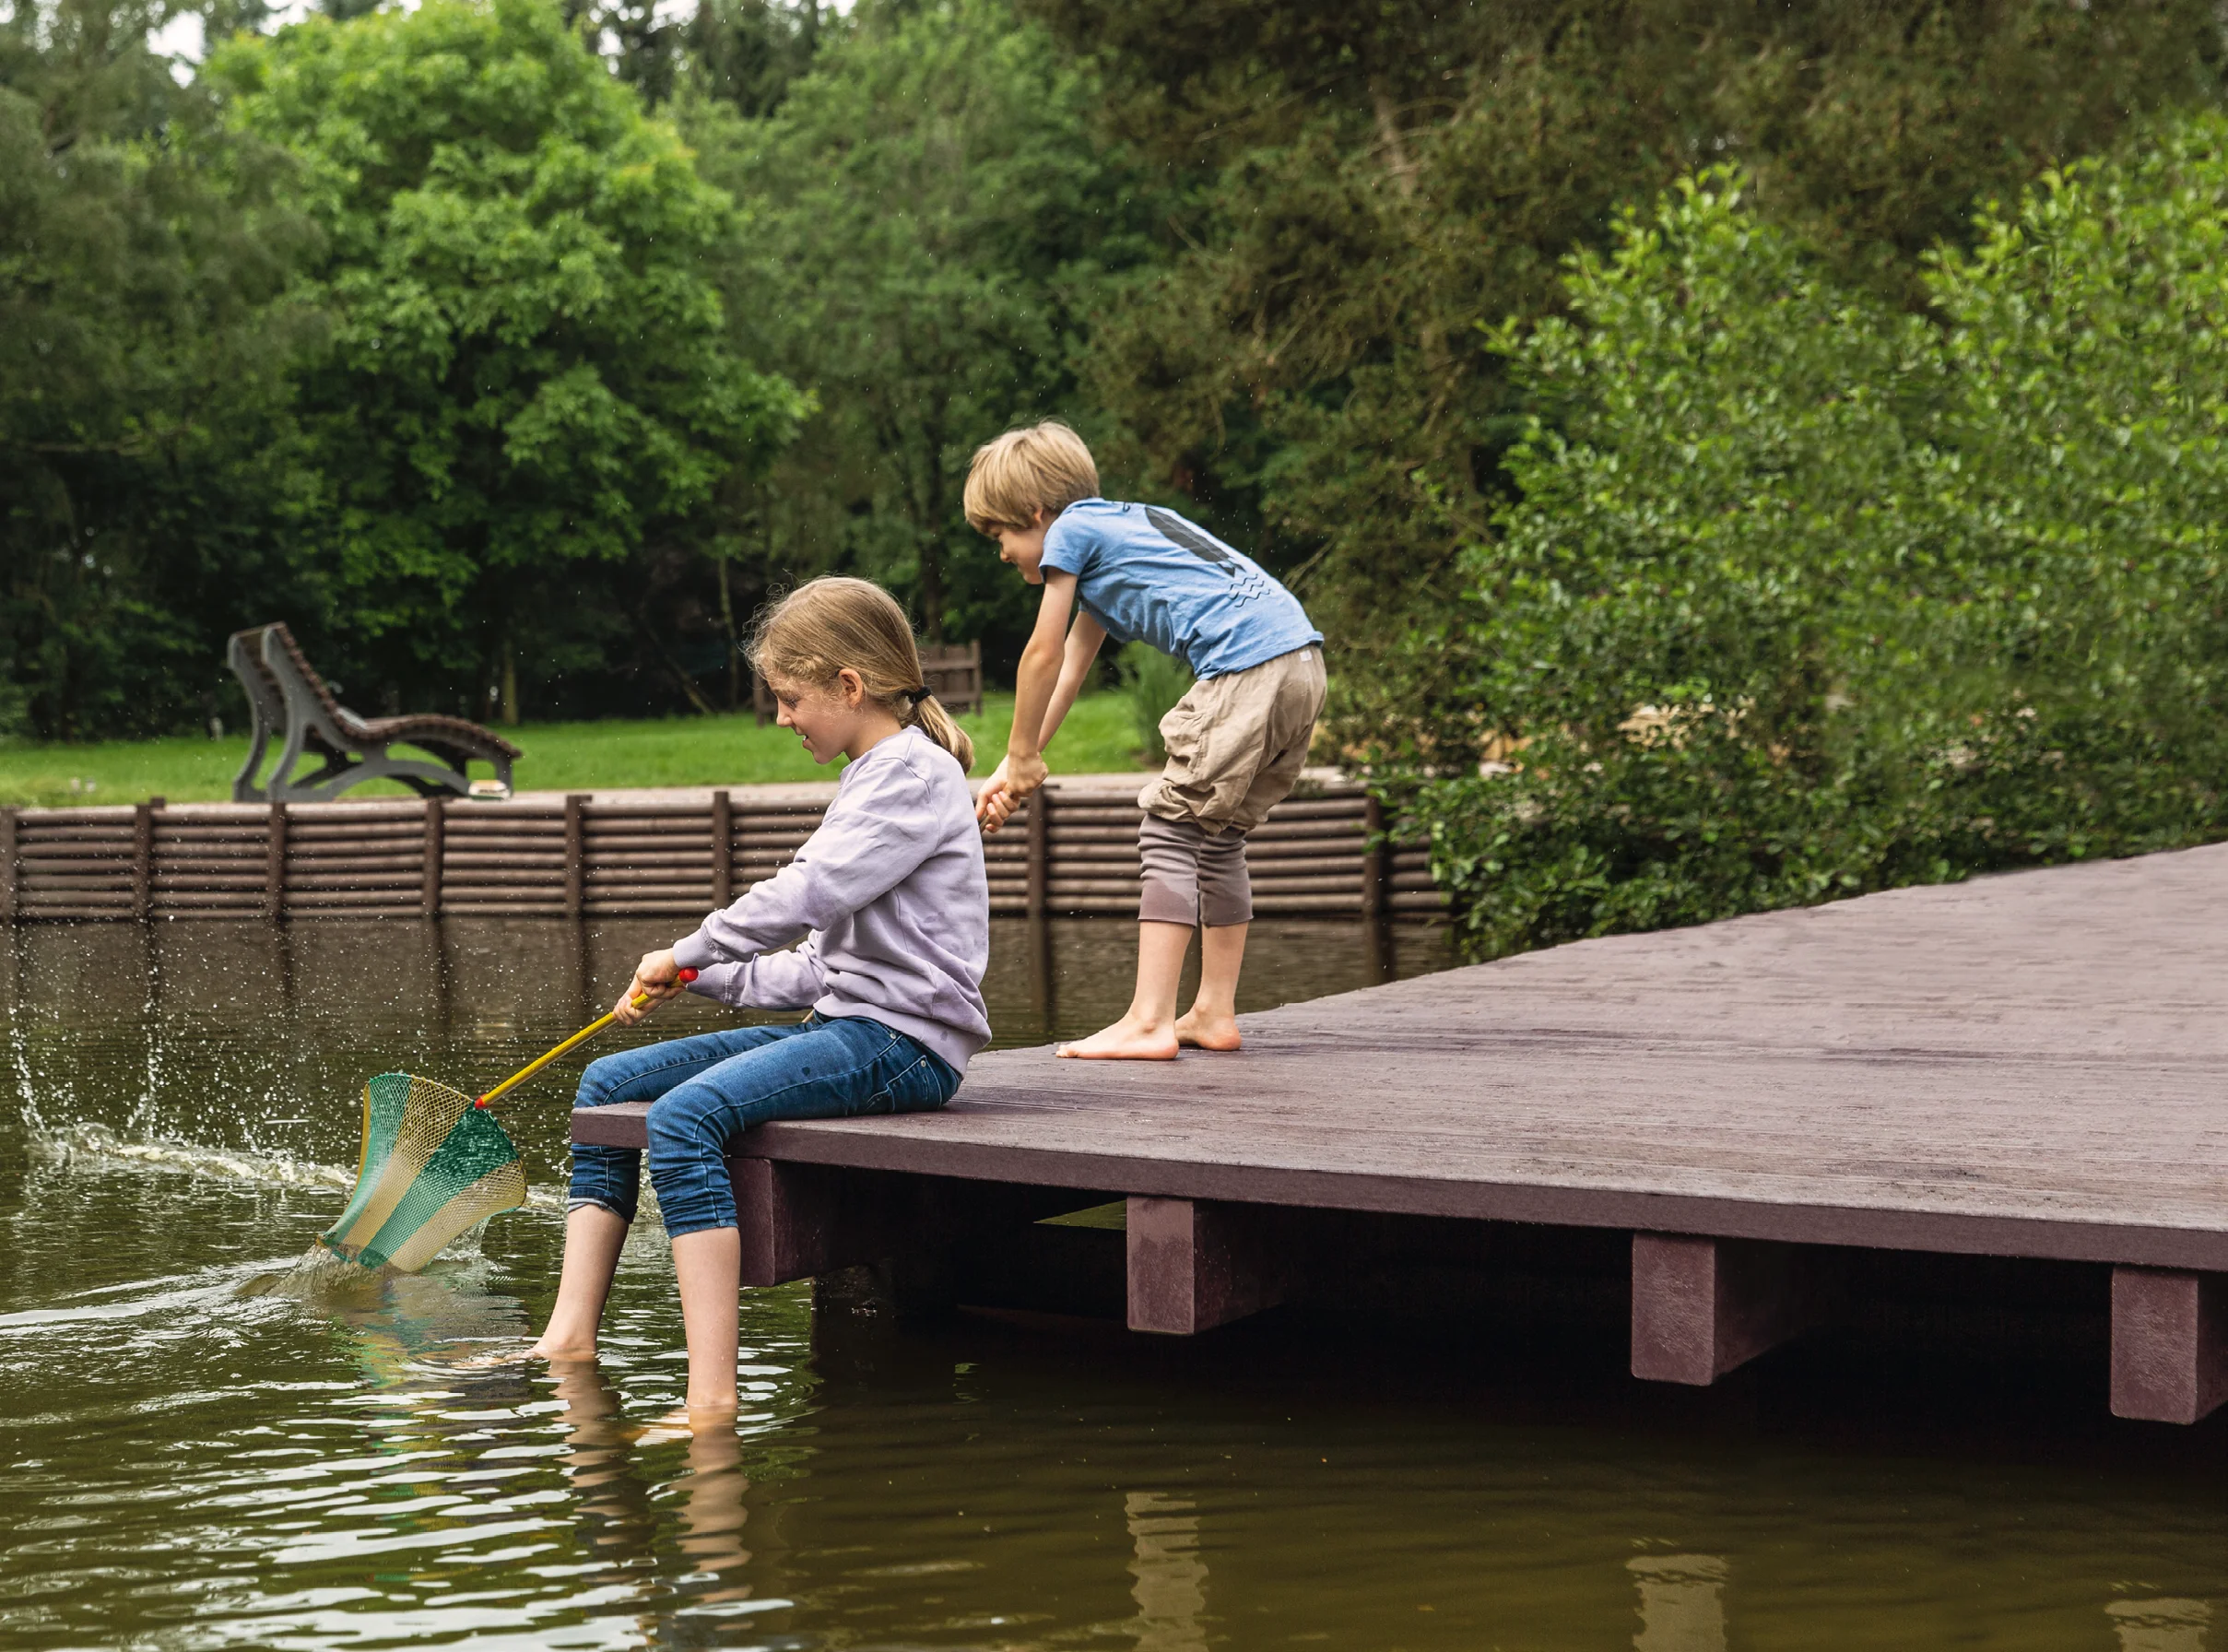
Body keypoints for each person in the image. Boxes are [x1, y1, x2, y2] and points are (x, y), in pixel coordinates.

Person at [530, 577, 991, 1418]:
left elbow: (804, 893)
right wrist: (704, 979)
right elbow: (816, 966)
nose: (781, 718)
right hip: (848, 1026)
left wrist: (688, 948)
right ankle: (569, 1335)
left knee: (681, 1120)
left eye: (790, 698)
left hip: (905, 1048)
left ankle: (712, 1399)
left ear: (850, 686)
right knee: (604, 1085)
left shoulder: (911, 778)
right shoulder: (873, 775)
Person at [969, 420, 1325, 1060]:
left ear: (1035, 513)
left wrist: (1024, 755)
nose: (1000, 553)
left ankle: (1148, 1020)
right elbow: (1071, 674)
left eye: (1000, 534)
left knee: (1167, 828)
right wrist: (1011, 768)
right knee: (1217, 838)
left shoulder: (1072, 531)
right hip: (1299, 662)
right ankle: (1212, 1012)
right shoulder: (1124, 529)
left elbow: (1041, 655)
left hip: (1245, 665)